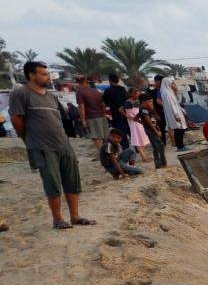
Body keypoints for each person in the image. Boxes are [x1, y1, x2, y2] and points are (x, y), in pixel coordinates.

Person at [11, 61, 94, 230]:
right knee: (53, 183)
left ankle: (75, 216)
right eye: (43, 74)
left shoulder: (51, 96)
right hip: (42, 146)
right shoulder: (21, 93)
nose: (47, 77)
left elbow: (60, 121)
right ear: (31, 75)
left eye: (47, 74)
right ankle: (58, 219)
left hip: (63, 144)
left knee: (72, 181)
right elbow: (16, 120)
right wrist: (28, 139)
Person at [75, 75, 109, 151]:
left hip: (91, 118)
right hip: (101, 116)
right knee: (105, 137)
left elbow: (81, 107)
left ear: (78, 82)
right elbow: (103, 104)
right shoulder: (96, 91)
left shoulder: (79, 92)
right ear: (86, 82)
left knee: (95, 137)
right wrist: (103, 114)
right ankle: (109, 153)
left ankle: (103, 156)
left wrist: (83, 120)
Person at [160, 76, 189, 151]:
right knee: (178, 130)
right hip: (175, 114)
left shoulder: (169, 92)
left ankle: (181, 145)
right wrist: (176, 115)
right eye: (171, 83)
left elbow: (176, 102)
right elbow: (172, 105)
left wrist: (176, 91)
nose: (173, 85)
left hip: (177, 112)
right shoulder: (166, 93)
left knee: (180, 129)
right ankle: (180, 146)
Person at [124, 91, 153, 166]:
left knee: (141, 138)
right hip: (134, 122)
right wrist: (128, 116)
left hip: (138, 121)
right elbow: (122, 110)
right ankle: (144, 157)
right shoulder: (128, 102)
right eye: (137, 93)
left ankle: (144, 156)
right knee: (137, 138)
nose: (138, 94)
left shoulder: (135, 101)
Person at [138, 95, 167, 169]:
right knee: (160, 145)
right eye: (150, 102)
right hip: (151, 130)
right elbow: (149, 123)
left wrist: (153, 109)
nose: (151, 103)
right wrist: (156, 131)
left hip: (154, 129)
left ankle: (159, 165)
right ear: (144, 102)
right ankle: (163, 164)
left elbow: (158, 119)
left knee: (156, 147)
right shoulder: (144, 110)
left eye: (152, 102)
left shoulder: (149, 109)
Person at [102, 73, 130, 146]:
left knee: (121, 133)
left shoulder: (108, 90)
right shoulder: (122, 89)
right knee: (128, 130)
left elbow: (104, 103)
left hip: (115, 115)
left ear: (110, 81)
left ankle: (126, 147)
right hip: (125, 113)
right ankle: (136, 147)